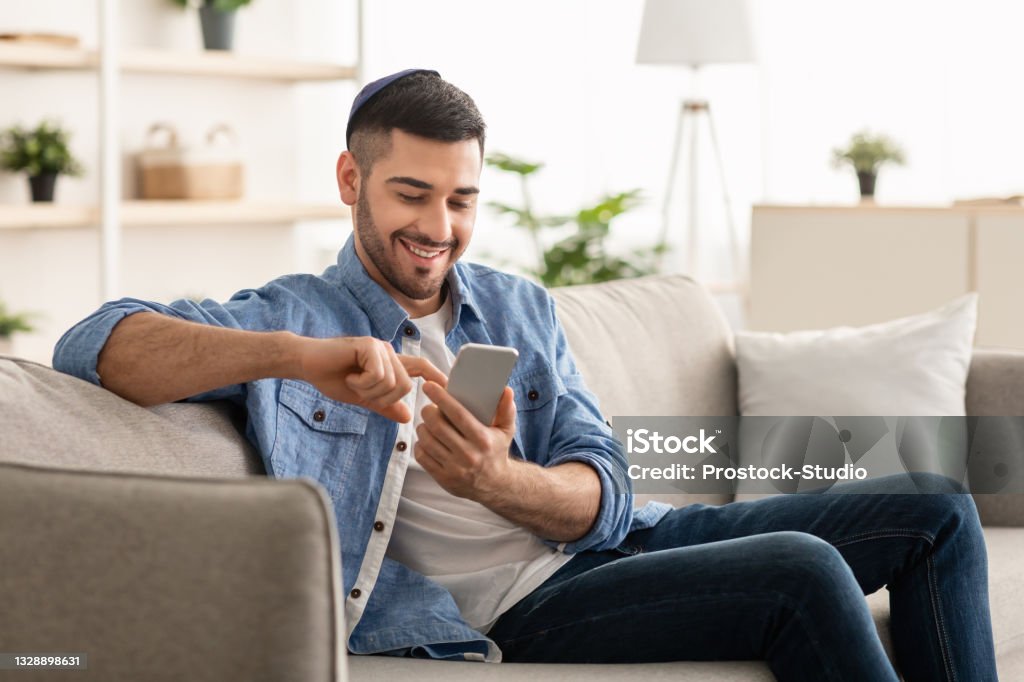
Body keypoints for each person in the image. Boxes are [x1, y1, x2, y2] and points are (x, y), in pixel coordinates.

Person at [52, 69, 998, 681]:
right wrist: (303, 362)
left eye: (461, 199)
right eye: (410, 194)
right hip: (520, 608)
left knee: (938, 511)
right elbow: (98, 342)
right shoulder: (292, 314)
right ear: (351, 181)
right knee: (803, 572)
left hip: (616, 546)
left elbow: (606, 482)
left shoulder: (516, 308)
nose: (438, 227)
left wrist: (496, 479)